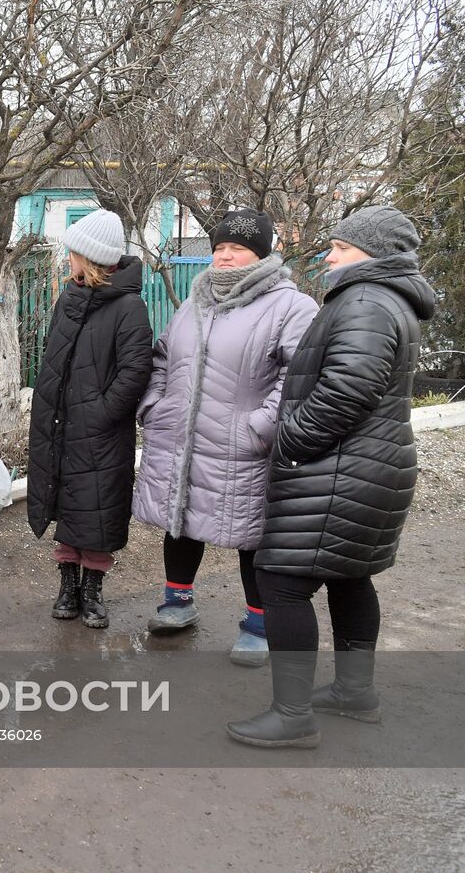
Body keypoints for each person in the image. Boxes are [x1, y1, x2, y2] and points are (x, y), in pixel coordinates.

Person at [227, 205, 434, 748]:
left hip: (341, 467)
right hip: (373, 465)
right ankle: (353, 692)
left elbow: (347, 390)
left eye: (341, 247)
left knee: (282, 581)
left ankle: (292, 715)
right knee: (348, 575)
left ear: (374, 254)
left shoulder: (365, 301)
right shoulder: (389, 300)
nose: (329, 255)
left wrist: (290, 440)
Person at [133, 209, 317, 665]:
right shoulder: (195, 302)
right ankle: (177, 602)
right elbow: (162, 358)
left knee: (251, 532)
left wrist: (262, 427)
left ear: (262, 254)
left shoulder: (292, 306)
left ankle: (259, 622)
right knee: (181, 514)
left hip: (245, 445)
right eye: (219, 248)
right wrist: (155, 406)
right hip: (181, 436)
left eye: (238, 249)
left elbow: (300, 376)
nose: (226, 257)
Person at [28, 209, 153, 629]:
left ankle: (93, 589)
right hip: (60, 424)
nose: (68, 260)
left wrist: (101, 413)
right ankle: (67, 585)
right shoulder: (69, 297)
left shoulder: (129, 307)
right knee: (64, 503)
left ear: (91, 258)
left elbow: (136, 371)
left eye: (73, 253)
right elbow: (53, 355)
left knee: (98, 511)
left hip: (100, 431)